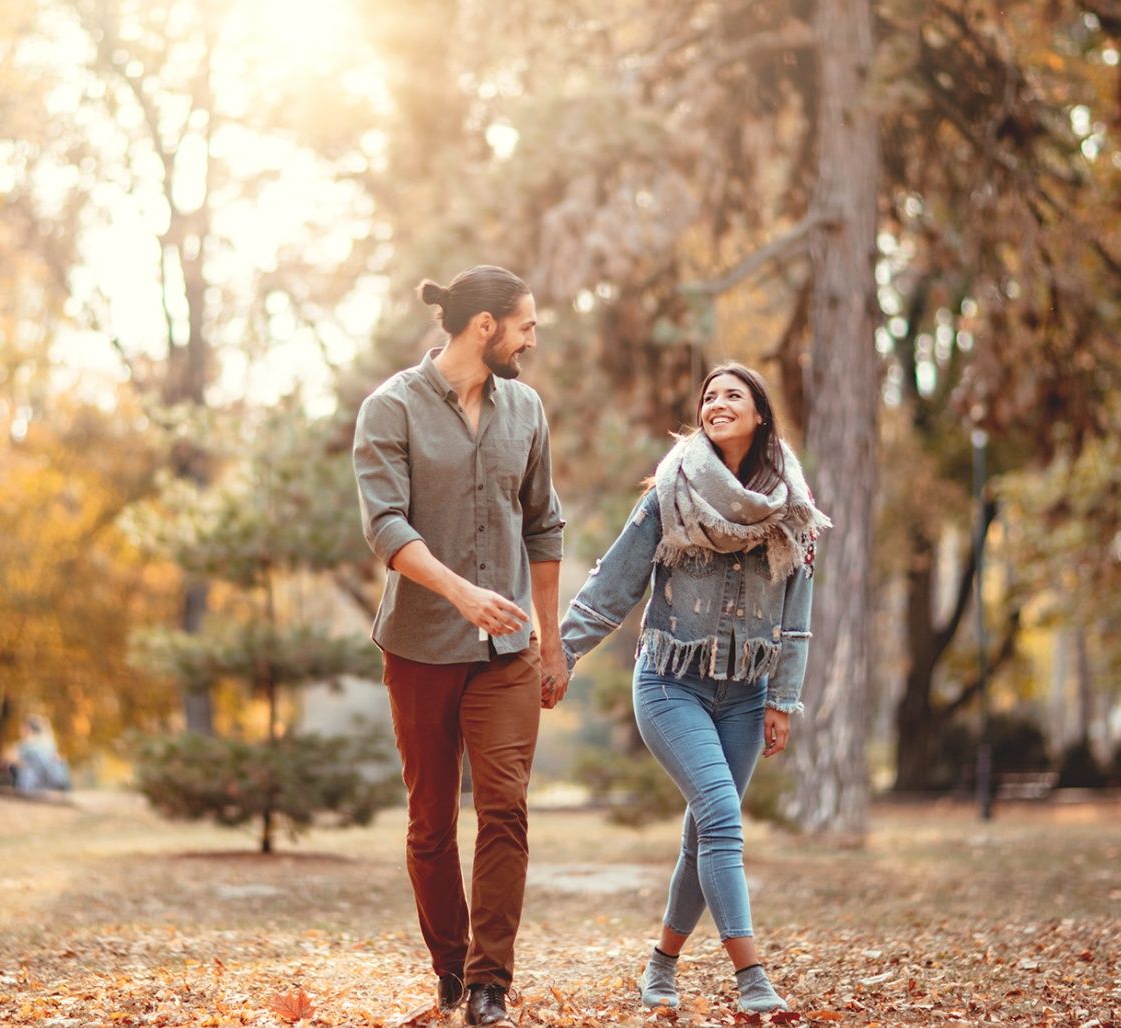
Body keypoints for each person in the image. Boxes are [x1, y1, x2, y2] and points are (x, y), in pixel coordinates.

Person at [559, 362, 830, 1014]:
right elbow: (615, 581)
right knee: (722, 819)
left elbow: (797, 620)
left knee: (701, 834)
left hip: (745, 694)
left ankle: (660, 968)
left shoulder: (791, 510)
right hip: (670, 685)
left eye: (733, 394)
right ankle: (753, 980)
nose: (718, 403)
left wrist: (783, 702)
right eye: (709, 396)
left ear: (759, 414)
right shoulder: (671, 492)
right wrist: (561, 653)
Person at [352, 265, 567, 1026]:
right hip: (419, 647)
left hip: (507, 655)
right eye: (526, 326)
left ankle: (489, 985)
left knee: (505, 807)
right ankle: (449, 971)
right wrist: (461, 593)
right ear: (486, 327)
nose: (532, 339)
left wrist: (551, 639)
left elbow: (544, 524)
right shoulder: (391, 409)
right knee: (431, 822)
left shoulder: (526, 410)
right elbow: (386, 527)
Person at [11, 715, 71, 792]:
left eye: (22, 728)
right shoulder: (49, 743)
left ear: (28, 728)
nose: (20, 731)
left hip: (31, 786)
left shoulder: (27, 744)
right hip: (51, 784)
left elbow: (9, 759)